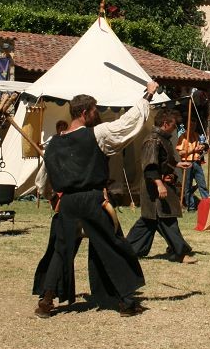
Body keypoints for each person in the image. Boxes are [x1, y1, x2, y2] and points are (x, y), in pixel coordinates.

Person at [32, 81, 158, 318]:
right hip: (92, 200)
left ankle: (46, 302)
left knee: (61, 250)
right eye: (94, 111)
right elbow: (127, 123)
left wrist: (50, 196)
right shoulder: (96, 134)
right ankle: (126, 303)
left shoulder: (53, 143)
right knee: (110, 246)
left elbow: (43, 178)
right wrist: (148, 96)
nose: (96, 114)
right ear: (83, 113)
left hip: (68, 203)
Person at [127, 108, 197, 264]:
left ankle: (128, 250)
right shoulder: (153, 140)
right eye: (173, 125)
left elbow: (164, 159)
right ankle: (179, 252)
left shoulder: (162, 139)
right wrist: (159, 184)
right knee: (166, 218)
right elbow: (150, 166)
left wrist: (177, 164)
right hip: (154, 187)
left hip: (160, 185)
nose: (175, 128)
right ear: (165, 123)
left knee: (149, 221)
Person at [179, 124, 208, 213]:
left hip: (196, 162)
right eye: (191, 125)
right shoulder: (182, 137)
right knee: (187, 186)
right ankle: (191, 207)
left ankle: (207, 205)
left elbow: (203, 145)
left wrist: (202, 146)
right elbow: (180, 153)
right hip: (187, 162)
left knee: (202, 184)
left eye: (194, 126)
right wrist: (193, 150)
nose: (193, 127)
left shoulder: (196, 135)